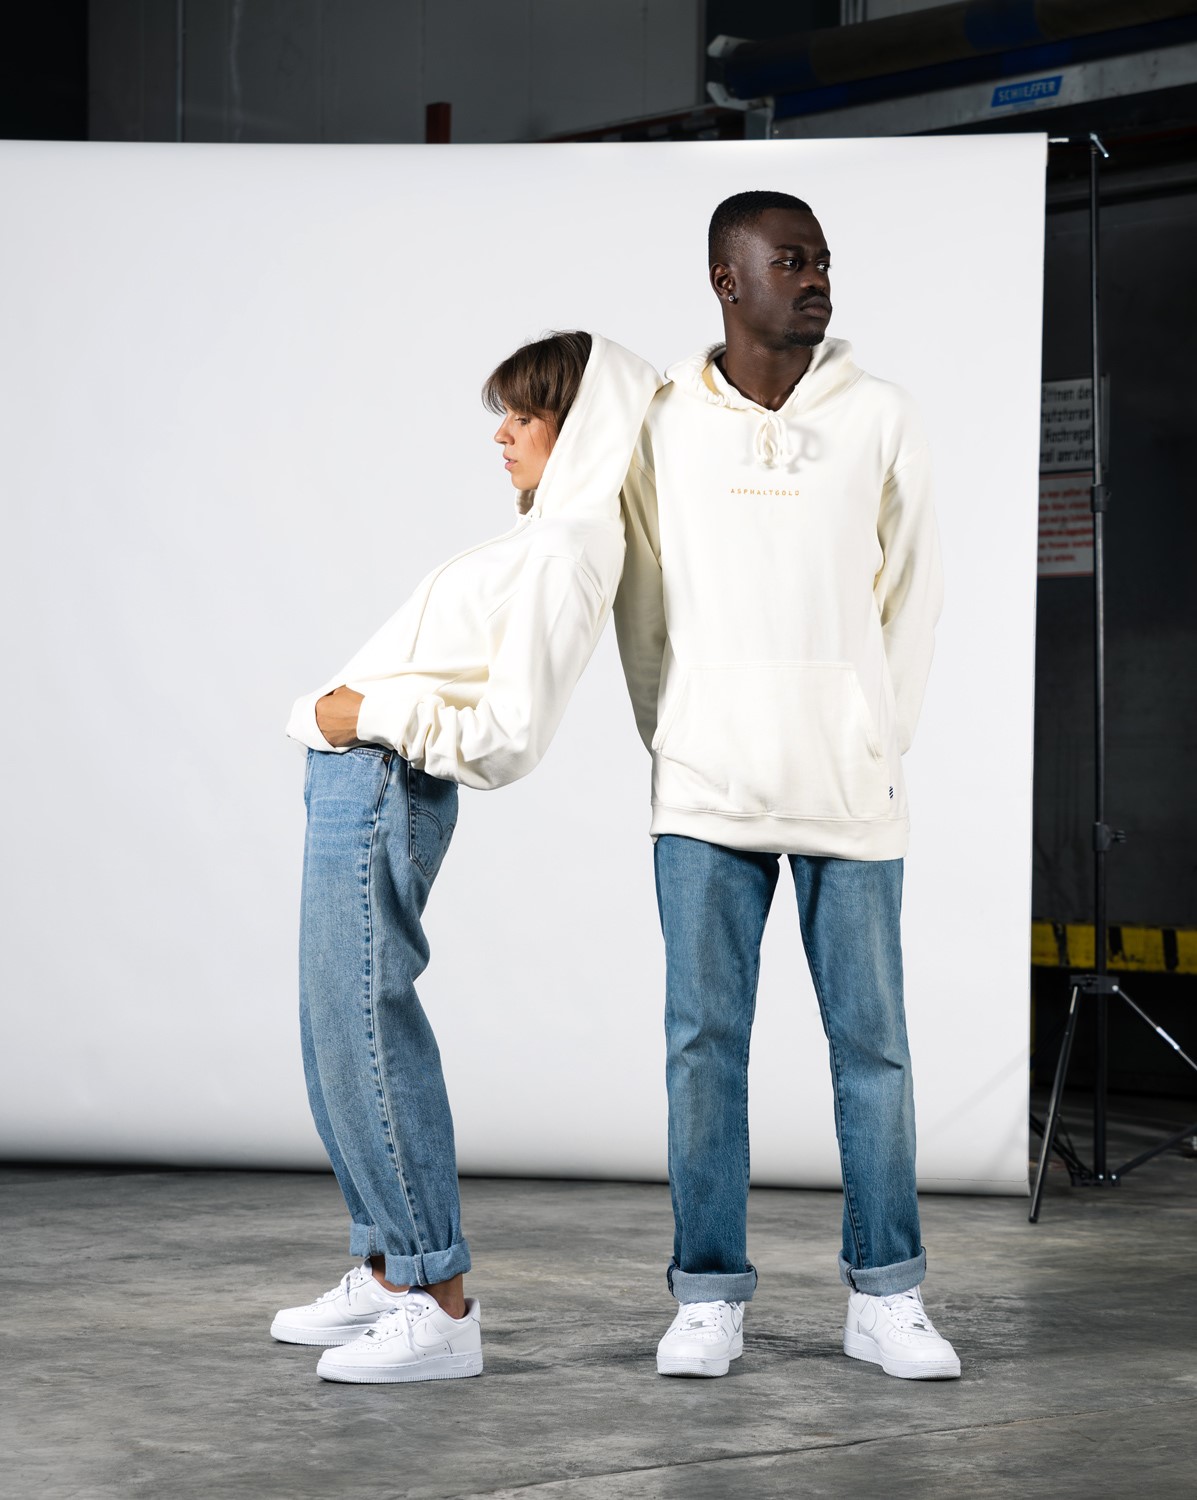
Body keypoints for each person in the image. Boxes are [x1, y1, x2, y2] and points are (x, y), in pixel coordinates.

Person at [614, 191, 960, 1381]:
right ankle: (708, 1295)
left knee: (875, 1051)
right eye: (792, 261)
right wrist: (677, 734)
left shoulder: (882, 415)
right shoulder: (664, 421)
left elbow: (914, 596)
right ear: (728, 279)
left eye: (823, 262)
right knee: (703, 1049)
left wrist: (875, 734)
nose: (817, 280)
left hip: (848, 784)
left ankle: (887, 1293)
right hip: (703, 788)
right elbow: (642, 600)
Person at [276, 330, 660, 1384]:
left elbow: (509, 736)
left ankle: (439, 1302)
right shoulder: (539, 538)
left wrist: (366, 714)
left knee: (366, 1023)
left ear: (582, 428)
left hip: (385, 778)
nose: (504, 434)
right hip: (358, 778)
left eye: (527, 415)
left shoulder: (570, 545)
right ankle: (389, 1269)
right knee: (334, 1031)